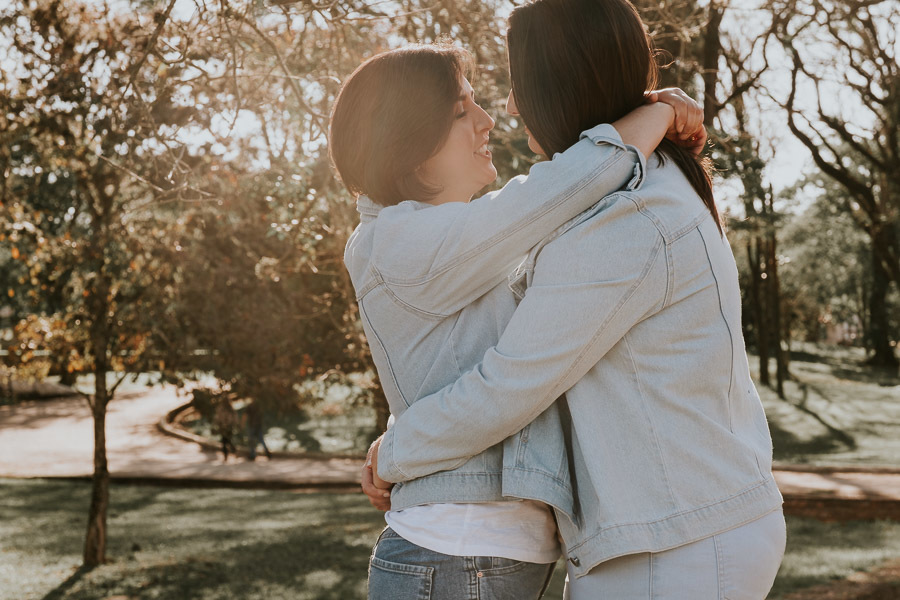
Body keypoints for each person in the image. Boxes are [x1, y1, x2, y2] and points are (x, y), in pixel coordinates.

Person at [367, 1, 786, 598]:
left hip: (675, 540)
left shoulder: (624, 218)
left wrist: (395, 452)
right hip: (679, 529)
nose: (509, 107)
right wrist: (654, 113)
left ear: (558, 85)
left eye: (516, 85)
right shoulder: (638, 190)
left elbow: (511, 384)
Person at [330, 35, 705, 600]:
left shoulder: (456, 243)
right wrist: (657, 111)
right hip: (456, 553)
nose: (487, 121)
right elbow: (560, 188)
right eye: (462, 110)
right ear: (406, 140)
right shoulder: (396, 244)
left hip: (473, 555)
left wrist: (395, 444)